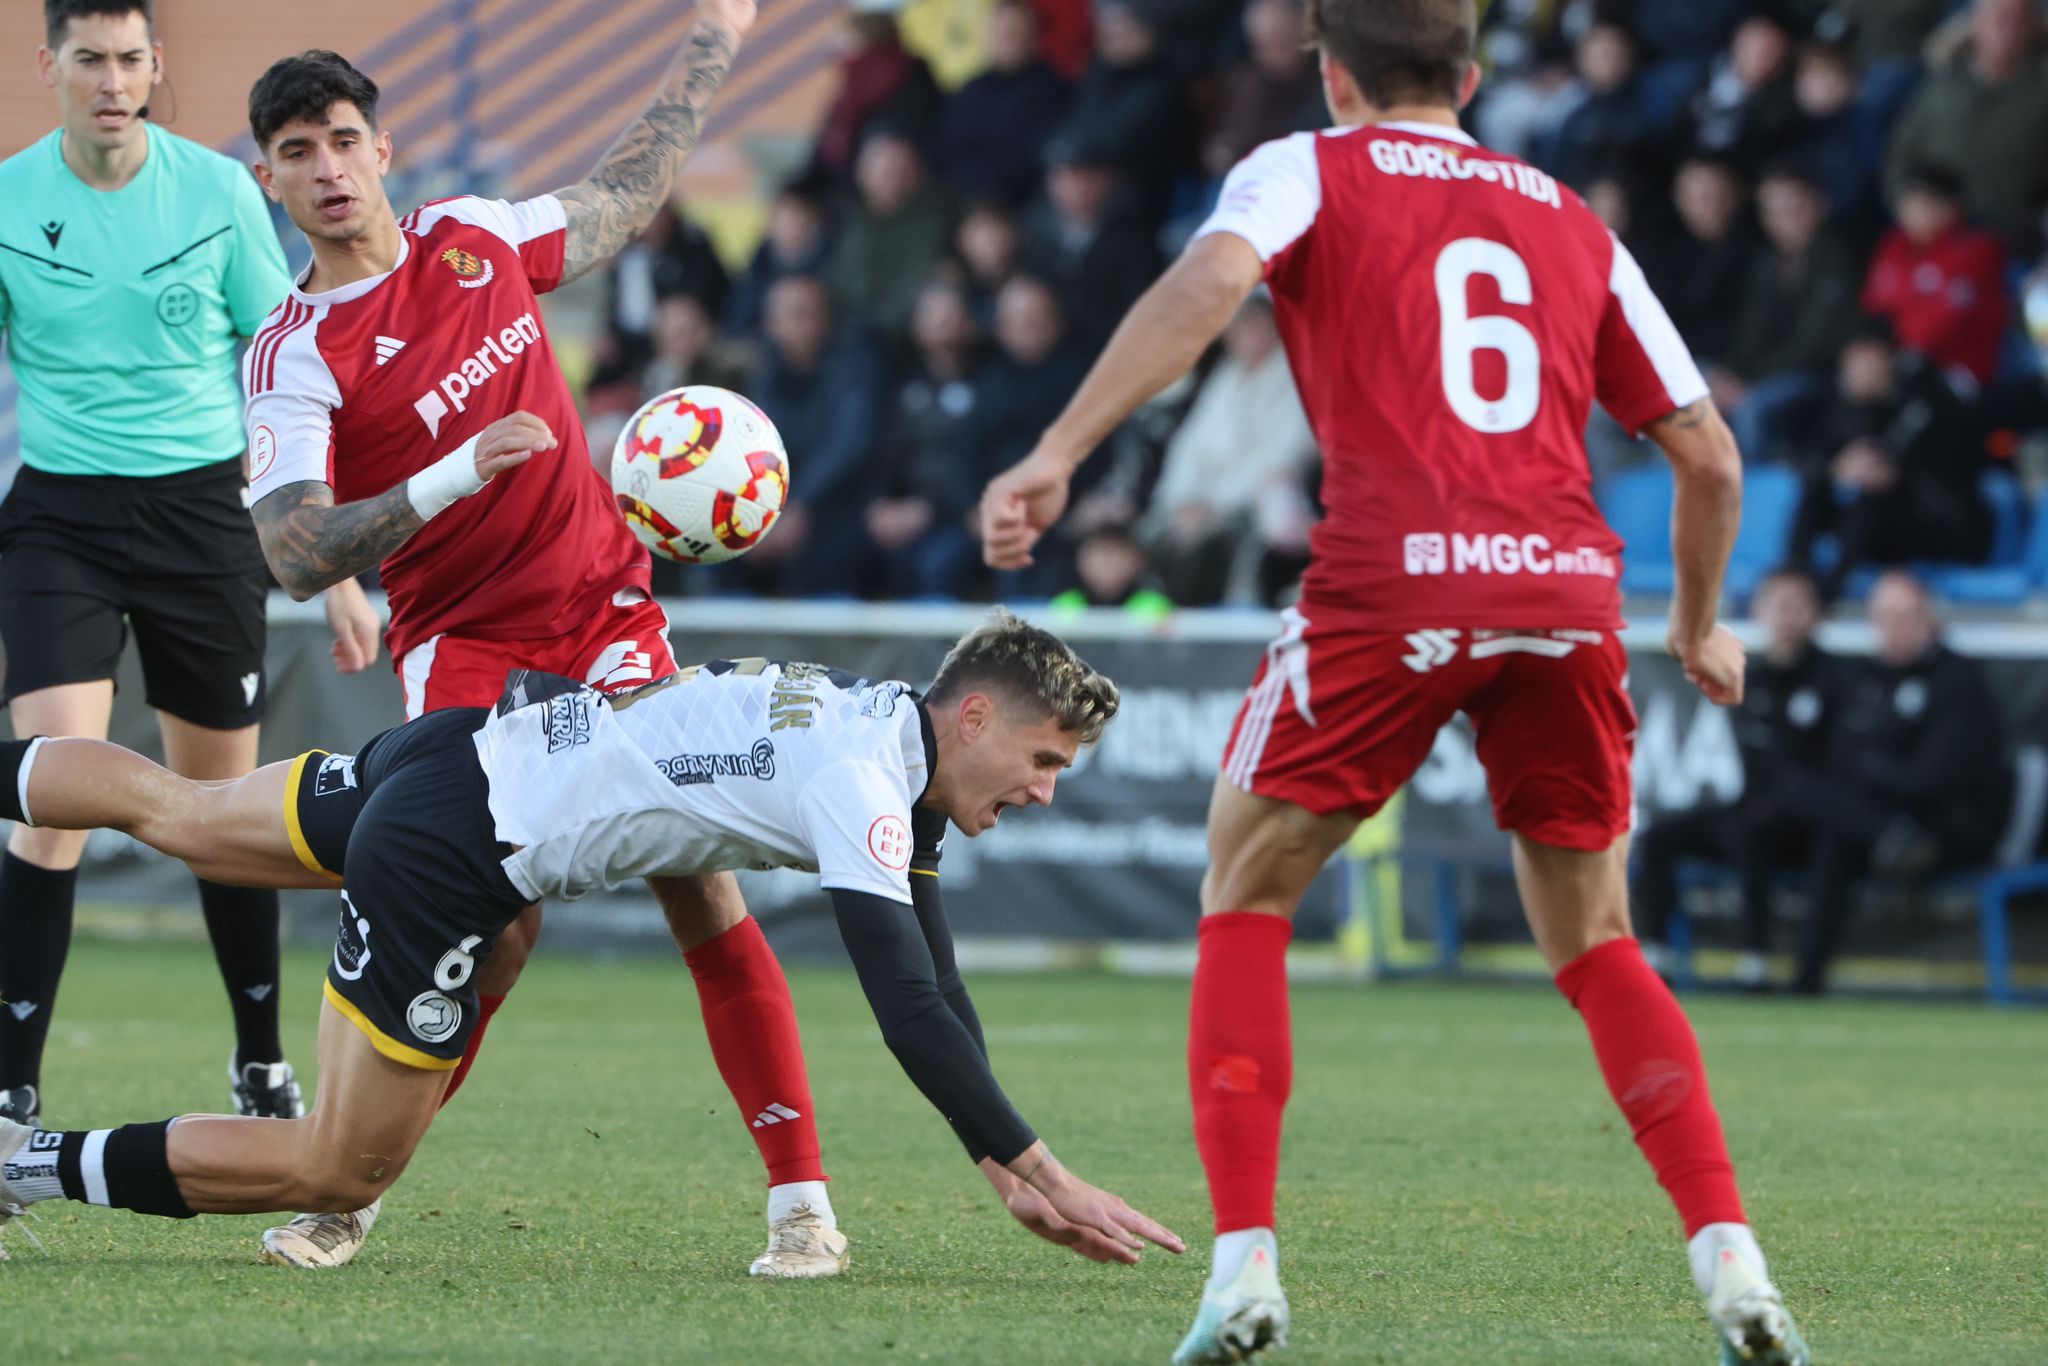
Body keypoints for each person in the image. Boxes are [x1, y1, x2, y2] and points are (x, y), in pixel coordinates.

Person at [978, 2, 1811, 1362]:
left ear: (1334, 73)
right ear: (1473, 77)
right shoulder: (1567, 213)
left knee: (1244, 894)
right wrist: (1701, 627)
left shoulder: (1307, 164)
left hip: (1395, 578)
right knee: (1599, 939)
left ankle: (1243, 1267)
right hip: (1560, 587)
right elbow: (1708, 453)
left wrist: (1062, 448)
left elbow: (1205, 289)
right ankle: (1733, 1260)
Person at [230, 5, 847, 1278]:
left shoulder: (475, 238)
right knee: (485, 923)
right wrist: (448, 479)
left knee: (699, 876)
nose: (328, 168)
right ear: (269, 178)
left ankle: (801, 1202)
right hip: (462, 648)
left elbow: (626, 192)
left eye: (343, 138)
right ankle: (354, 1186)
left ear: (384, 147)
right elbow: (293, 553)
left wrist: (714, 43)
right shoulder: (295, 354)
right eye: (298, 150)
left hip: (606, 609)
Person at [0, 615, 1184, 1273]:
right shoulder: (862, 775)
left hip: (463, 747)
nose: (1040, 792)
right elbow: (908, 1011)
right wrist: (1045, 1170)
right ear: (973, 716)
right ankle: (24, 1162)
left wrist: (998, 1166)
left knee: (184, 815)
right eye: (1041, 761)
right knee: (334, 1167)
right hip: (456, 846)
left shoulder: (886, 733)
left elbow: (939, 983)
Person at [0, 0, 376, 1135]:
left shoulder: (214, 196)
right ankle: (12, 1086)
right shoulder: (10, 199)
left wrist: (336, 555)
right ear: (50, 65)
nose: (112, 82)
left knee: (219, 809)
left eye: (130, 61)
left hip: (205, 516)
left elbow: (285, 372)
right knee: (55, 791)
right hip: (59, 516)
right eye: (89, 61)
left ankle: (259, 1058)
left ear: (157, 67)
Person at [1772, 571, 2010, 994]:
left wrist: (1869, 768)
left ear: (1930, 619)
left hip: (1949, 829)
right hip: (1885, 823)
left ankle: (1894, 837)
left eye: (1905, 617)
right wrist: (1872, 772)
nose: (1893, 629)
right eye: (1884, 618)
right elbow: (1841, 757)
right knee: (1827, 828)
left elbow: (1933, 778)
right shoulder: (1867, 679)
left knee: (1823, 808)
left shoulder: (1957, 682)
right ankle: (1807, 980)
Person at [1634, 568, 1846, 988]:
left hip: (1806, 818)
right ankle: (1655, 954)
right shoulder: (1754, 678)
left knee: (1749, 834)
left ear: (1815, 614)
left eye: (1797, 605)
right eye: (1778, 604)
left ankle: (1755, 960)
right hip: (1752, 805)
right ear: (1761, 611)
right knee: (1659, 837)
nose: (1787, 615)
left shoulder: (1835, 679)